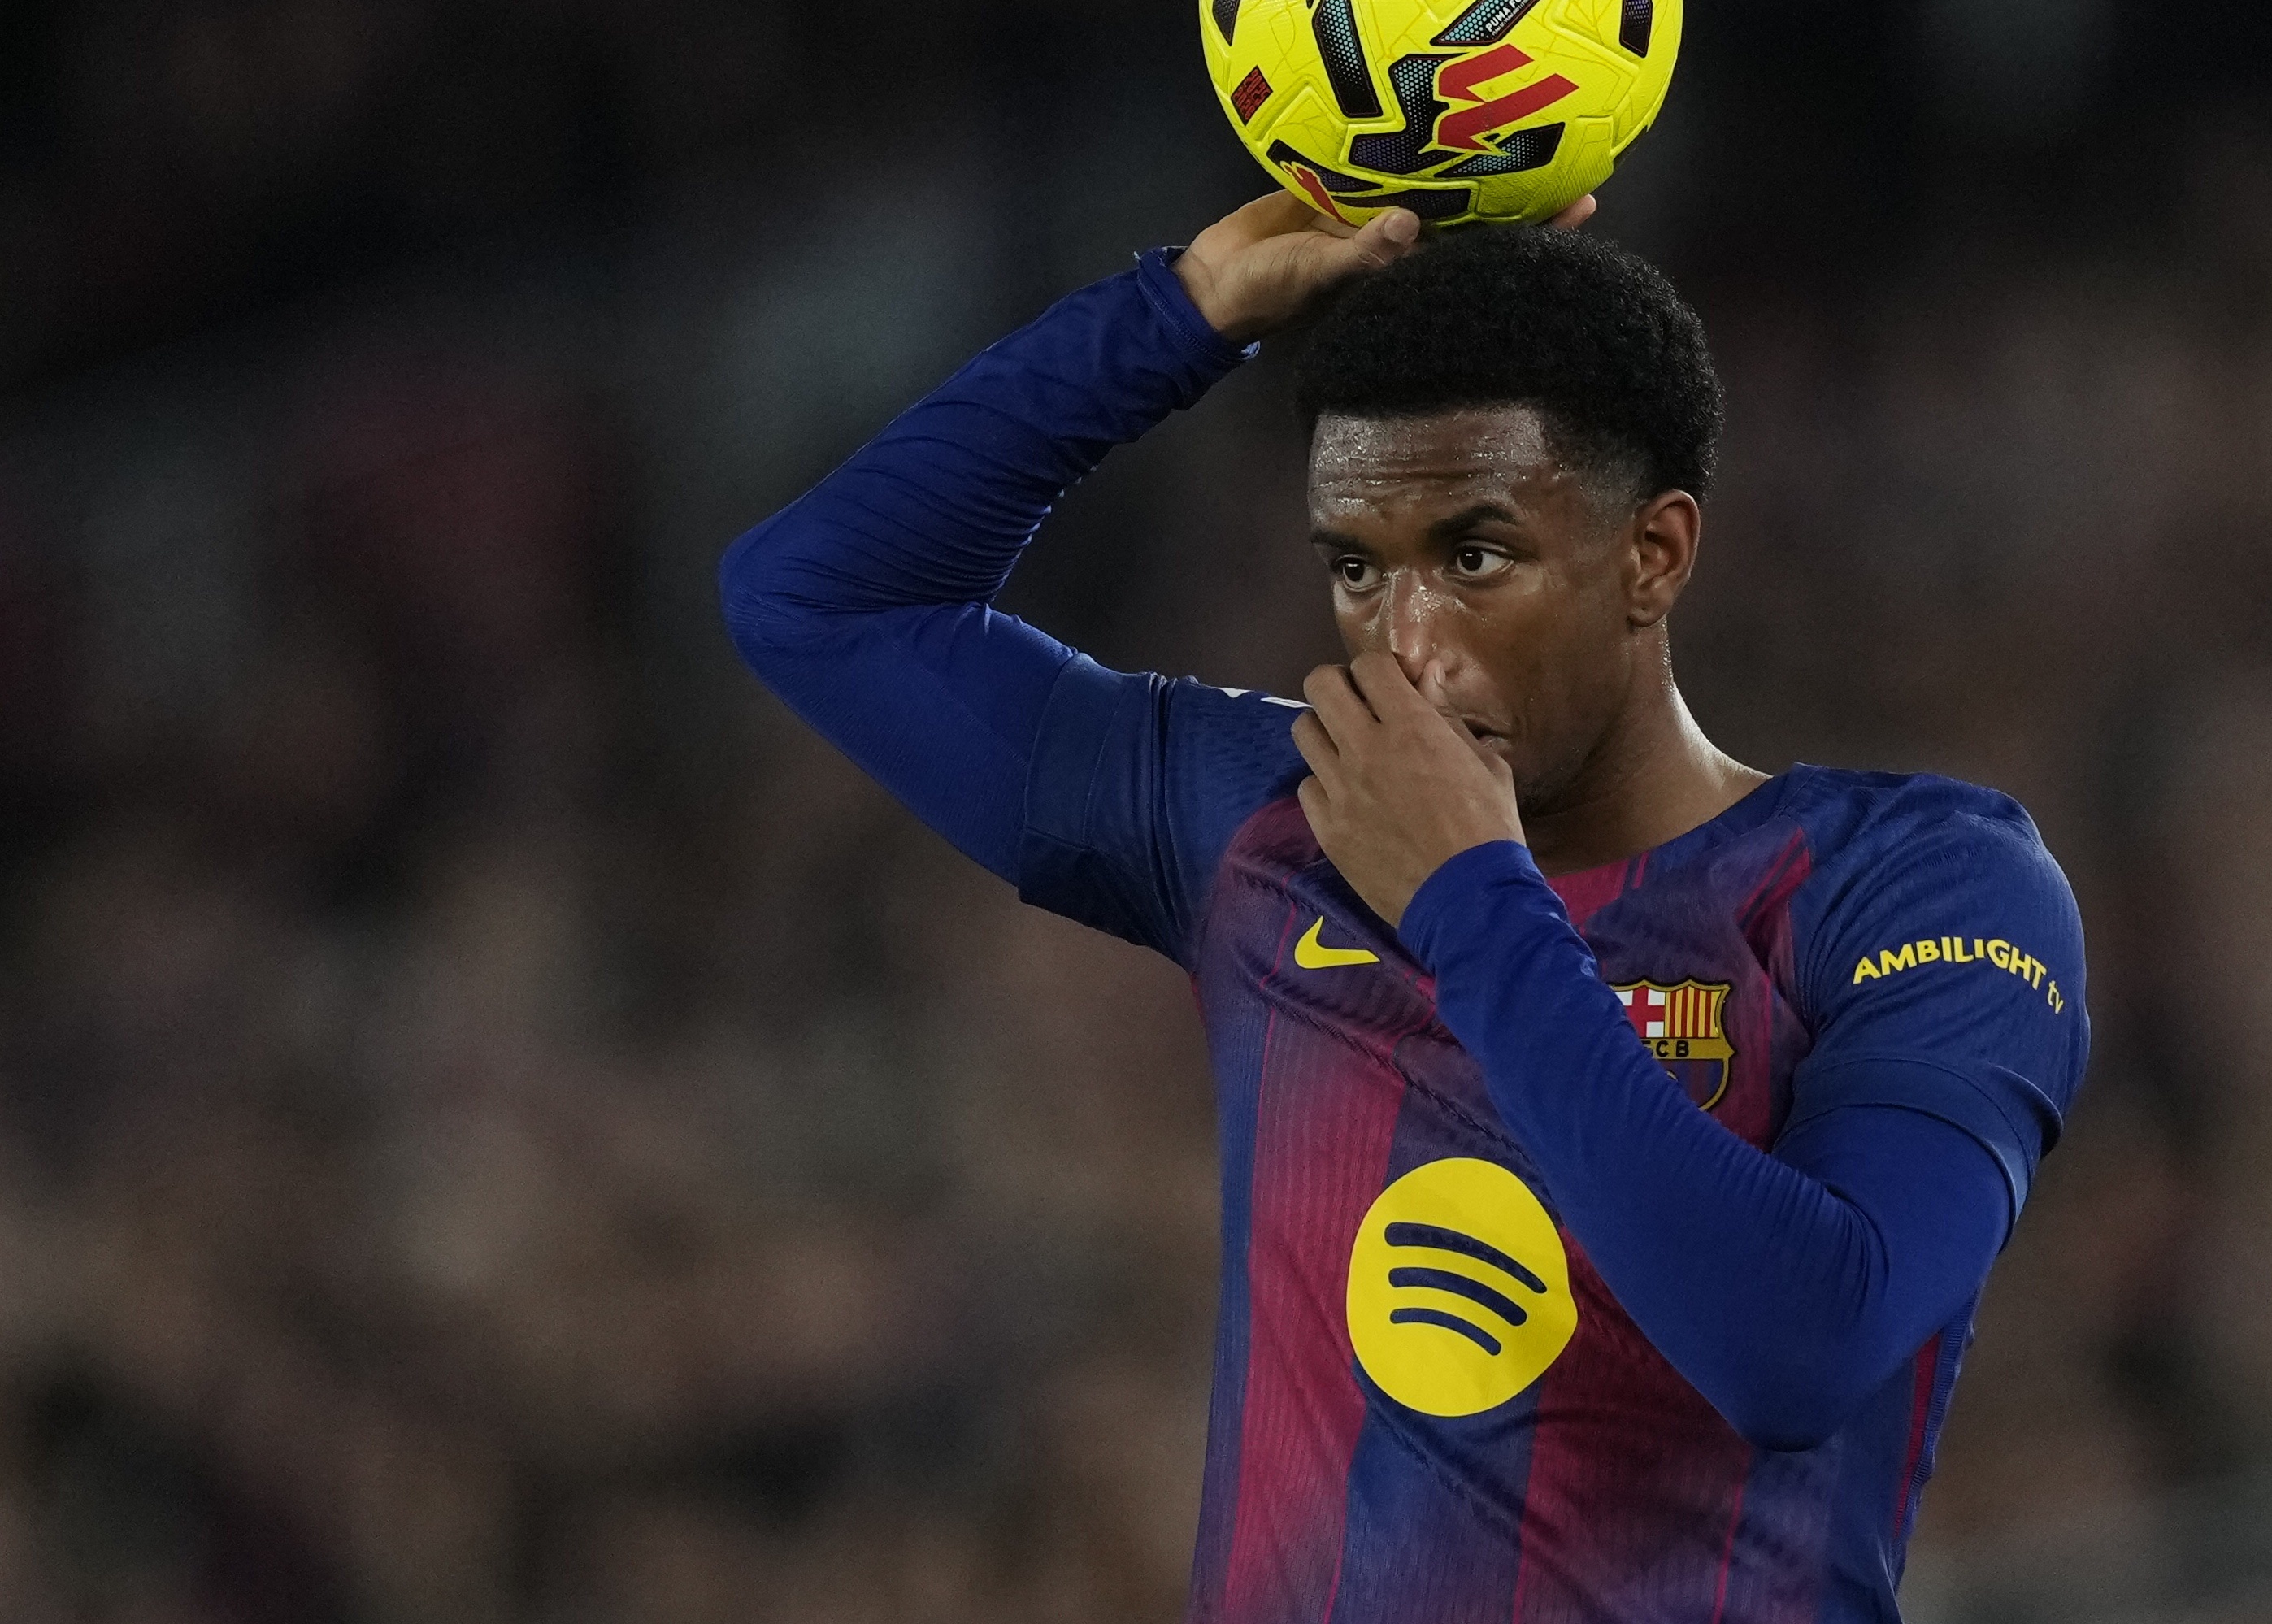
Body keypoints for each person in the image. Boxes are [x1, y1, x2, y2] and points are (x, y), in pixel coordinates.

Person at [719, 191, 2089, 1624]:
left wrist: (1469, 902)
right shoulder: (1272, 824)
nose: (1411, 645)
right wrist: (1178, 314)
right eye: (1358, 570)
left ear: (1655, 554)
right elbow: (814, 600)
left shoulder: (1916, 881)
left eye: (1475, 556)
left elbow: (1800, 1349)